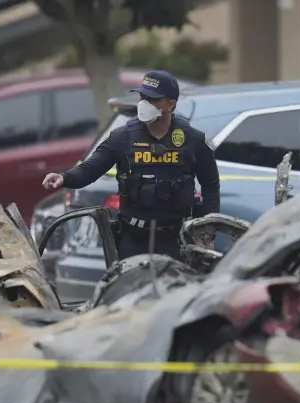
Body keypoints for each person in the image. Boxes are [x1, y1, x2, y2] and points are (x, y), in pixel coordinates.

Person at [42, 69, 220, 260]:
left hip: (177, 241)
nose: (144, 103)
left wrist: (206, 233)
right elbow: (90, 169)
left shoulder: (192, 140)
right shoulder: (122, 137)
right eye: (142, 97)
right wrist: (64, 177)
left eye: (152, 99)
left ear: (171, 104)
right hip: (134, 241)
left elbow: (211, 186)